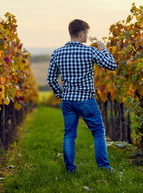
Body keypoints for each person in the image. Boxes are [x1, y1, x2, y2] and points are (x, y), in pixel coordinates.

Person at [47, 19, 117, 173]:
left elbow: (51, 79)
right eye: (86, 33)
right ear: (81, 34)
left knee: (69, 134)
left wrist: (60, 93)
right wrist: (103, 49)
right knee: (98, 131)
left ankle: (70, 169)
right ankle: (104, 167)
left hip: (68, 101)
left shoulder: (57, 53)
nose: (87, 36)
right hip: (86, 100)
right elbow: (112, 65)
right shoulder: (89, 51)